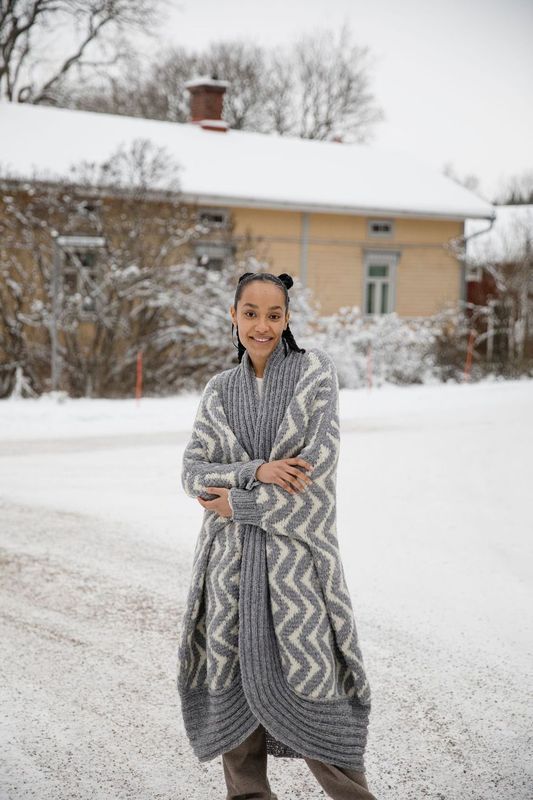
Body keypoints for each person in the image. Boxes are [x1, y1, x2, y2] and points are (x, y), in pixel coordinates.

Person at [177, 272, 377, 800]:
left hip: (298, 570)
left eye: (273, 314)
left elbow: (312, 487)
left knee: (318, 700)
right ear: (234, 316)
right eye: (250, 313)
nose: (261, 326)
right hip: (229, 569)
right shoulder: (219, 390)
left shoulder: (315, 376)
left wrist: (236, 499)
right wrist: (259, 472)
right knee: (236, 706)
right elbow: (194, 474)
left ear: (287, 319)